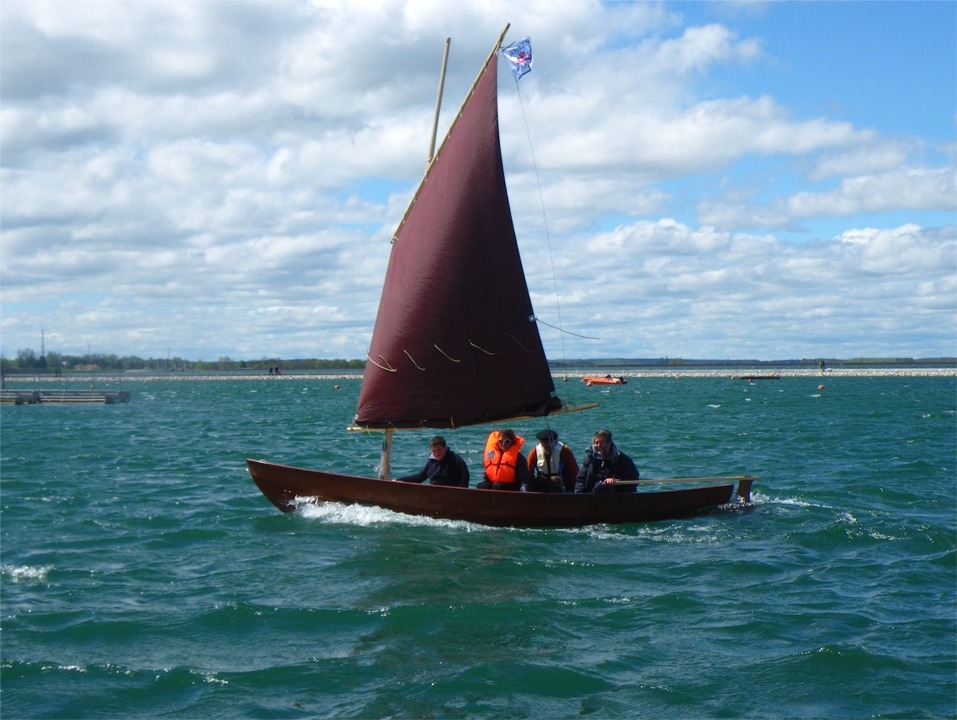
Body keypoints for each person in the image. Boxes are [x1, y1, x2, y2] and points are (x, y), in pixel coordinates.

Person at [574, 429, 639, 494]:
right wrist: (578, 498)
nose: (599, 445)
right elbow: (580, 481)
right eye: (596, 443)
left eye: (602, 442)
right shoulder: (589, 459)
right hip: (591, 498)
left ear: (609, 443)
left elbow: (633, 481)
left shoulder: (623, 460)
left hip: (616, 498)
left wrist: (616, 482)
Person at [395, 435, 469, 487]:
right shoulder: (431, 461)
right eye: (433, 451)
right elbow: (420, 477)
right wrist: (400, 480)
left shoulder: (455, 459)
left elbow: (465, 476)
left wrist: (460, 494)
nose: (436, 453)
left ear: (445, 448)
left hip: (451, 494)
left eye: (439, 450)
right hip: (434, 494)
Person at [526, 429, 579, 493]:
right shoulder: (534, 452)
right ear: (540, 442)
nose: (548, 445)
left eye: (550, 442)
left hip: (561, 484)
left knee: (555, 480)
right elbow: (528, 471)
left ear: (555, 441)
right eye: (544, 443)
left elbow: (574, 471)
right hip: (542, 484)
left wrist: (575, 490)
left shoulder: (564, 451)